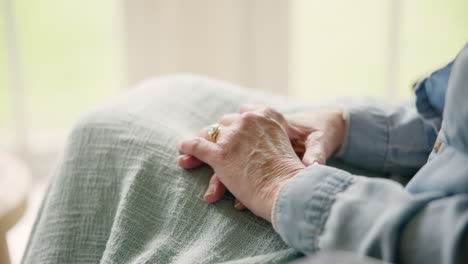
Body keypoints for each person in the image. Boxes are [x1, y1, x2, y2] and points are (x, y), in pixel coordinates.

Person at [23, 44, 468, 263]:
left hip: (397, 236)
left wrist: (280, 183)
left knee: (109, 139)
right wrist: (349, 125)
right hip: (416, 177)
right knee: (140, 111)